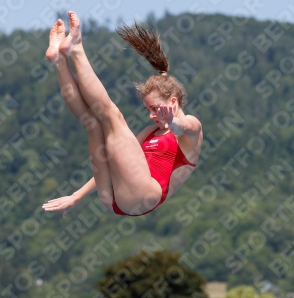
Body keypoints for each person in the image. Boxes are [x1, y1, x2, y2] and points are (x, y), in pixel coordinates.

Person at [42, 11, 203, 217]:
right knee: (92, 123)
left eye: (155, 108)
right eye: (149, 110)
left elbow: (185, 127)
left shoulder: (191, 126)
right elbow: (117, 162)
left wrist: (172, 121)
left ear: (173, 102)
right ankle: (59, 61)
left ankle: (77, 49)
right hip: (114, 199)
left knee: (113, 117)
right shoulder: (149, 131)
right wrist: (76, 196)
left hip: (144, 196)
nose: (152, 115)